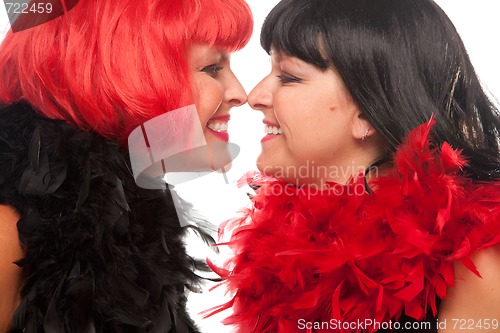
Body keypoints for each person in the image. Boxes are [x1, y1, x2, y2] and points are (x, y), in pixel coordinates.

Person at [210, 0, 500, 332]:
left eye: (288, 76)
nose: (255, 95)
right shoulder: (278, 249)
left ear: (367, 111)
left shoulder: (475, 261)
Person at [0, 0, 252, 331]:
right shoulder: (10, 223)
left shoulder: (130, 209)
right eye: (212, 68)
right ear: (119, 68)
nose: (241, 93)